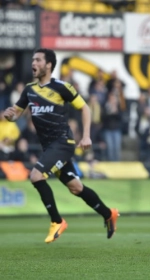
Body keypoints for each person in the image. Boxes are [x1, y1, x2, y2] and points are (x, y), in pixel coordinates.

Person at [3, 48, 119, 243]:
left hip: (63, 143)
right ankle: (109, 214)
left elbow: (85, 108)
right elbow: (16, 114)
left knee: (36, 175)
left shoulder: (62, 87)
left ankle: (57, 221)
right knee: (76, 187)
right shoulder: (29, 90)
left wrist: (87, 136)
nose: (33, 63)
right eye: (32, 60)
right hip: (49, 148)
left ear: (48, 65)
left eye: (38, 60)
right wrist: (10, 116)